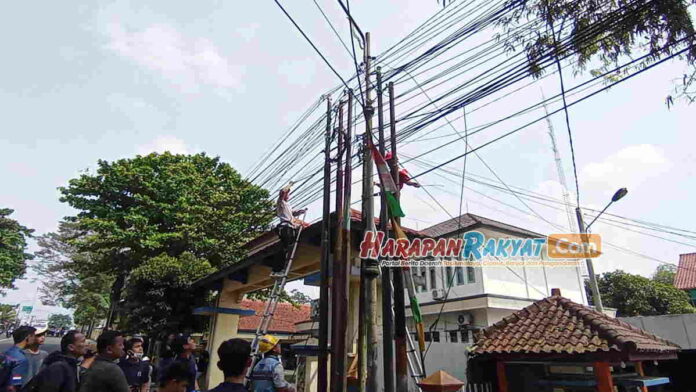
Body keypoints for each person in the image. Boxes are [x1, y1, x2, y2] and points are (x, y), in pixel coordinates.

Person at [272, 186, 306, 276]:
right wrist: (289, 185)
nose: (288, 195)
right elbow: (282, 192)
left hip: (290, 227)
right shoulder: (280, 202)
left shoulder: (288, 205)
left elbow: (291, 214)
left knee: (287, 247)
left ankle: (279, 269)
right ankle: (277, 270)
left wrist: (299, 212)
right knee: (284, 248)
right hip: (285, 227)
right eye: (288, 194)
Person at [4, 325, 36, 390]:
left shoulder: (6, 353)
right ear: (28, 337)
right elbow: (13, 386)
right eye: (33, 336)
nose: (34, 339)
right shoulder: (21, 359)